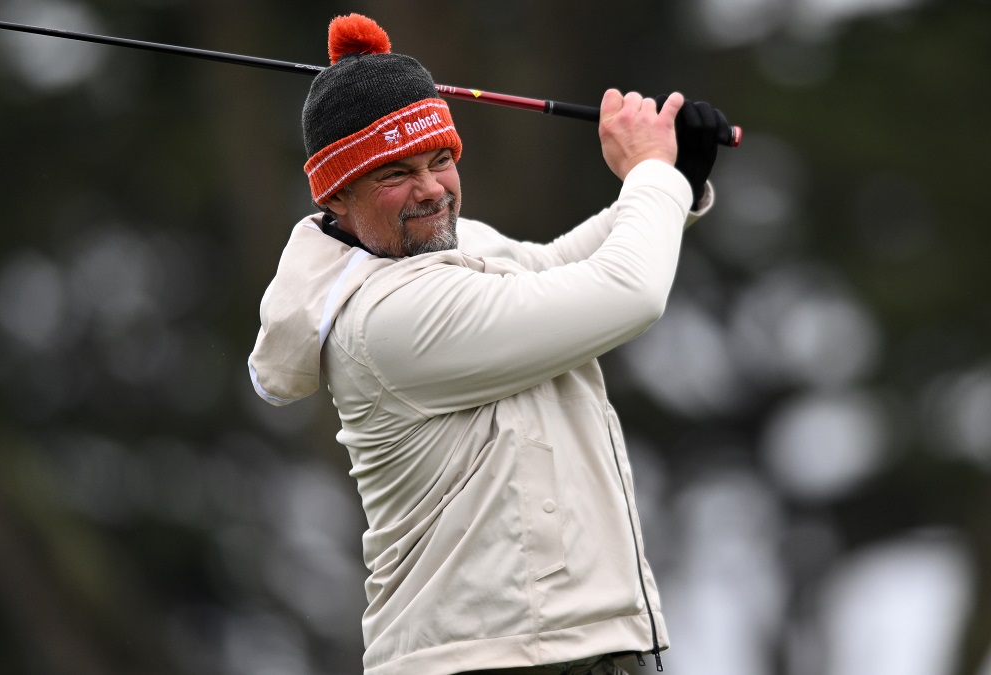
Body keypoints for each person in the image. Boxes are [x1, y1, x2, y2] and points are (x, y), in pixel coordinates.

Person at [249, 13, 725, 675]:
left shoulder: (452, 249)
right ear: (339, 195)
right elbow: (627, 292)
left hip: (558, 646)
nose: (431, 190)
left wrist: (677, 181)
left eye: (440, 160)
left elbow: (559, 266)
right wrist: (651, 177)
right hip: (493, 658)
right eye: (395, 174)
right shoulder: (386, 316)